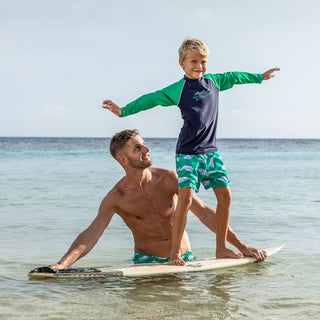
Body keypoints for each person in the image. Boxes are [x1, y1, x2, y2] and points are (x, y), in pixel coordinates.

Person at [102, 37, 280, 265]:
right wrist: (124, 111)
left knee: (225, 197)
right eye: (193, 61)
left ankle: (221, 248)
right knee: (185, 199)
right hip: (187, 152)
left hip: (211, 152)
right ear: (182, 63)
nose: (199, 66)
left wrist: (259, 78)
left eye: (203, 61)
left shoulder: (214, 82)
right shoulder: (179, 89)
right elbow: (153, 98)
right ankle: (175, 253)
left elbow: (235, 77)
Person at [50, 129, 266, 270]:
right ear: (123, 159)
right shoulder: (116, 197)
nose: (147, 149)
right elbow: (91, 234)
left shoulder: (169, 179)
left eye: (144, 144)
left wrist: (241, 245)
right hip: (146, 263)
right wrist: (62, 264)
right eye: (138, 148)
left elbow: (206, 214)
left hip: (183, 259)